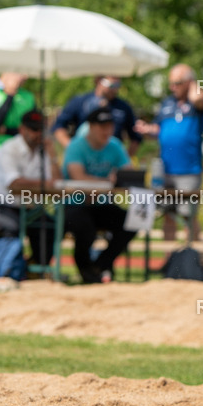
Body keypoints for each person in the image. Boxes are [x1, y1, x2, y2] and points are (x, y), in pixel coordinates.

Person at [135, 64, 203, 241]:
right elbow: (158, 128)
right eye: (171, 83)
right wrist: (147, 129)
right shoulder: (167, 103)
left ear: (189, 82)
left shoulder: (196, 102)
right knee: (167, 215)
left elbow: (199, 99)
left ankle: (191, 255)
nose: (172, 87)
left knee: (188, 216)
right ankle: (169, 256)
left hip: (189, 170)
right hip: (165, 170)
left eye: (177, 83)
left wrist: (193, 84)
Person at [62, 108, 136, 284]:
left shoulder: (115, 145)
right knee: (84, 228)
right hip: (75, 204)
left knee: (132, 222)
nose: (107, 131)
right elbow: (77, 177)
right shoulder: (76, 146)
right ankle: (86, 270)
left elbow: (129, 174)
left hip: (100, 205)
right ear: (91, 127)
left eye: (110, 126)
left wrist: (117, 179)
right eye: (102, 126)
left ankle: (100, 265)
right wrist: (108, 182)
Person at [0, 109, 61, 268]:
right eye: (34, 129)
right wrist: (45, 185)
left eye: (41, 129)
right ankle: (7, 268)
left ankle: (37, 267)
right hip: (3, 206)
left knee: (53, 227)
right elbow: (14, 185)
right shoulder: (9, 148)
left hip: (31, 209)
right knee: (11, 228)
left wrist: (53, 155)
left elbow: (57, 184)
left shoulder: (44, 151)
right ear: (22, 129)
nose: (38, 134)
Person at [53, 76, 142, 157]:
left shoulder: (123, 107)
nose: (115, 89)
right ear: (98, 81)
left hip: (110, 160)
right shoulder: (80, 102)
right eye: (111, 85)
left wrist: (123, 159)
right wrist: (72, 148)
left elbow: (135, 136)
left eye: (117, 85)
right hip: (84, 157)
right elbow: (59, 126)